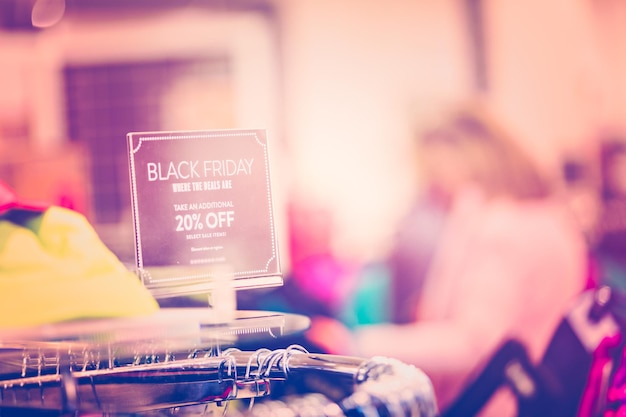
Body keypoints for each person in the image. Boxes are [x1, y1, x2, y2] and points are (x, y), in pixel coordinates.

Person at [307, 101, 588, 416]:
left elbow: (472, 344)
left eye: (437, 171)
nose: (434, 186)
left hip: (494, 404)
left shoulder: (499, 227)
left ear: (468, 158)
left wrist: (355, 344)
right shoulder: (549, 219)